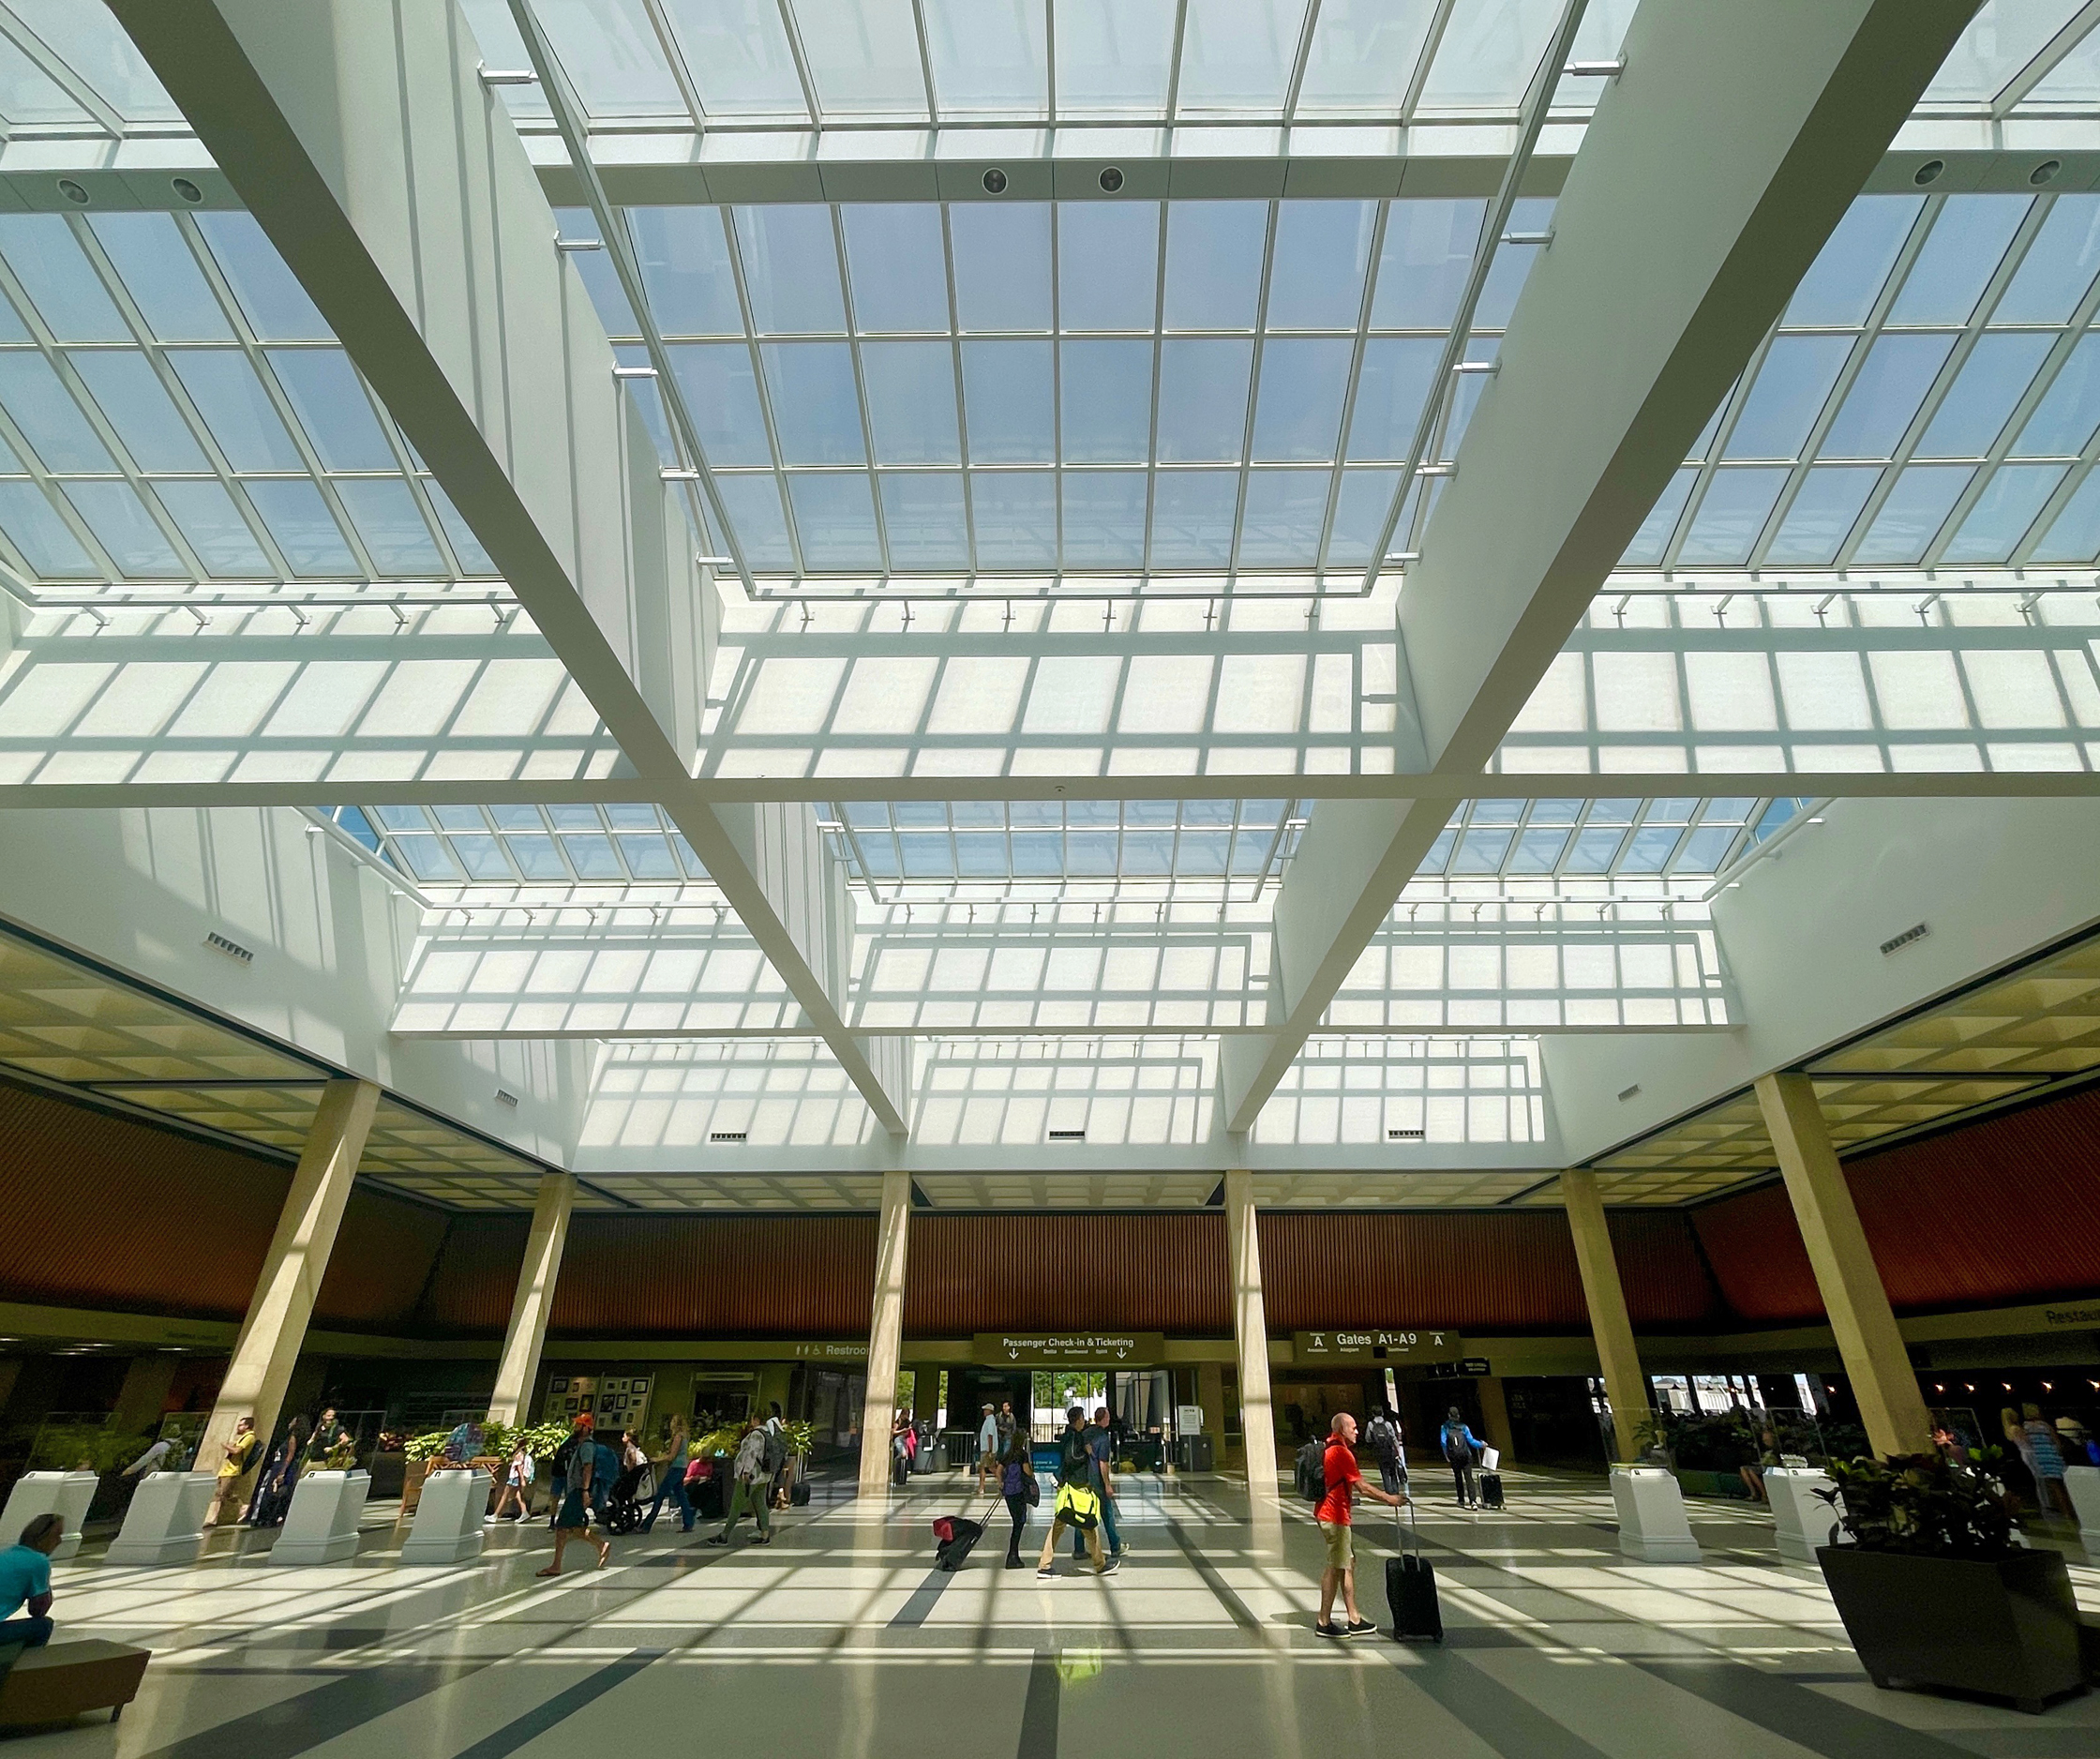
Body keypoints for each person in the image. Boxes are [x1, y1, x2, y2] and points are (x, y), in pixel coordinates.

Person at [1315, 1412, 1407, 1638]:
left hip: (1331, 1514)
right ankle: (1323, 1622)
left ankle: (1354, 1617)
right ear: (1341, 1430)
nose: (1357, 1431)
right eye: (1353, 1427)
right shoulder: (1341, 1453)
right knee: (1336, 1565)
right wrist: (1390, 1498)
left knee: (1347, 1563)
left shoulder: (1329, 1447)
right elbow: (1362, 1487)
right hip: (1334, 1516)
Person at [1038, 1407, 1115, 1579]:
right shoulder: (1074, 1436)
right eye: (1082, 1418)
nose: (1084, 1420)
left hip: (1071, 1485)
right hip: (1075, 1486)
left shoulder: (1071, 1435)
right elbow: (1071, 1457)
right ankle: (1099, 1564)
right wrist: (1086, 1454)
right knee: (1086, 1523)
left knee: (1073, 1525)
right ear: (1078, 1419)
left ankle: (1046, 1564)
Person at [537, 1421, 609, 1576]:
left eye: (578, 1425)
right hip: (577, 1490)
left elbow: (587, 1468)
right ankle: (600, 1545)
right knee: (573, 1528)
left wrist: (584, 1491)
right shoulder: (582, 1444)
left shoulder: (587, 1446)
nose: (574, 1427)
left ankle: (557, 1565)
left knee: (562, 1527)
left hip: (579, 1491)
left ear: (585, 1428)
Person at [708, 1417, 773, 1547]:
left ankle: (724, 1536)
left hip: (751, 1475)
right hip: (763, 1475)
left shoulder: (756, 1434)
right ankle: (765, 1535)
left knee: (736, 1504)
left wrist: (746, 1471)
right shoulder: (768, 1434)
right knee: (760, 1503)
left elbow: (751, 1453)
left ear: (756, 1420)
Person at [0, 1514, 63, 1650]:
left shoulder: (7, 1553)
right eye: (56, 1535)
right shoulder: (38, 1561)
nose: (59, 1541)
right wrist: (44, 1582)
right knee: (43, 1626)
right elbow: (38, 1611)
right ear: (42, 1538)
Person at [1072, 1406, 1122, 1561]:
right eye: (1108, 1416)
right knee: (1107, 1513)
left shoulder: (1086, 1433)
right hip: (1097, 1481)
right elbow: (1103, 1463)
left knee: (1082, 1513)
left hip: (1083, 1479)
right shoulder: (1103, 1437)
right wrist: (1107, 1484)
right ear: (1104, 1419)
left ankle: (1079, 1548)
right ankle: (1115, 1546)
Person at [247, 1415, 308, 1527]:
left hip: (281, 1467)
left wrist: (282, 1472)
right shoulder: (293, 1437)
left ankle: (265, 1518)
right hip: (284, 1466)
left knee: (271, 1492)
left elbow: (290, 1455)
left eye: (293, 1421)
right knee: (276, 1493)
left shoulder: (293, 1437)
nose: (290, 1423)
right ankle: (272, 1517)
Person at [641, 1416, 693, 1533]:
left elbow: (672, 1456)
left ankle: (647, 1525)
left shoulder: (678, 1437)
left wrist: (657, 1459)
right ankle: (688, 1522)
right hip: (682, 1466)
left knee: (660, 1495)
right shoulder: (685, 1437)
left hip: (675, 1468)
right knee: (681, 1495)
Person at [2024, 1405, 2074, 1520]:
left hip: (2042, 1459)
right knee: (2064, 1486)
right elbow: (2056, 1441)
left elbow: (2027, 1444)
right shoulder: (2045, 1426)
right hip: (2053, 1456)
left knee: (2054, 1487)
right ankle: (2071, 1510)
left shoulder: (2025, 1428)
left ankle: (2065, 1512)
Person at [207, 1416, 258, 1527]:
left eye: (240, 1425)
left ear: (246, 1426)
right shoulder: (242, 1437)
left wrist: (226, 1446)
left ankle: (213, 1518)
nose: (238, 1427)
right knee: (225, 1494)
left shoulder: (249, 1437)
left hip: (232, 1470)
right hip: (226, 1469)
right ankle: (242, 1506)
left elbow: (237, 1450)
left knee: (221, 1495)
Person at [999, 1429, 1036, 1569]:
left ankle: (1013, 1555)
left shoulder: (1008, 1454)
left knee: (1016, 1522)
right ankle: (1012, 1555)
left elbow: (998, 1469)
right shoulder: (1022, 1454)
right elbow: (1027, 1471)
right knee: (1019, 1522)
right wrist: (1032, 1474)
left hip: (1009, 1492)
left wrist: (1001, 1482)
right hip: (1019, 1492)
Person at [1440, 1406, 1487, 1510]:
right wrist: (1481, 1444)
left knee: (1458, 1477)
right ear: (1458, 1416)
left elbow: (1443, 1442)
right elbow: (1471, 1441)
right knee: (1469, 1477)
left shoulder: (1445, 1427)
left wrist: (1446, 1455)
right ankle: (1473, 1501)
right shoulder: (1464, 1427)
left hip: (1454, 1456)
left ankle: (1461, 1500)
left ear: (1449, 1415)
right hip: (1466, 1456)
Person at [2003, 1406, 2046, 1512]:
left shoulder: (2010, 1429)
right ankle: (2045, 1501)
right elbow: (2028, 1441)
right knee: (2039, 1477)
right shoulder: (2016, 1428)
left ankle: (2044, 1500)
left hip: (2025, 1452)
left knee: (2038, 1477)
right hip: (2029, 1452)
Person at [1364, 1407, 1407, 1499]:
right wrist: (1398, 1450)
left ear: (1373, 1414)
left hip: (1379, 1451)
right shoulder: (1388, 1424)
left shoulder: (1370, 1424)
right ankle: (1395, 1491)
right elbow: (1394, 1438)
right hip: (1390, 1450)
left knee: (1384, 1472)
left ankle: (1388, 1493)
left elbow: (1368, 1438)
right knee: (1393, 1472)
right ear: (1383, 1413)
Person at [490, 1437, 535, 1523]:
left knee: (505, 1495)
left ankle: (495, 1515)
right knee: (518, 1495)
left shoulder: (518, 1454)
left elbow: (519, 1468)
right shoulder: (523, 1454)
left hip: (514, 1478)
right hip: (517, 1478)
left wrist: (522, 1480)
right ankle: (524, 1512)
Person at [1740, 1427, 1778, 1502]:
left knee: (1751, 1471)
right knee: (1743, 1469)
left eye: (1767, 1440)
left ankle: (1765, 1494)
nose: (1765, 1441)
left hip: (1772, 1467)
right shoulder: (1763, 1447)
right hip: (1762, 1465)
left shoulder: (1776, 1448)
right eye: (1764, 1440)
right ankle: (1753, 1493)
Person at [976, 1403, 1001, 1493]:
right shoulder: (989, 1420)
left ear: (989, 1411)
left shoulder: (990, 1421)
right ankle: (983, 1487)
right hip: (986, 1448)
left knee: (986, 1467)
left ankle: (1000, 1483)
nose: (984, 1412)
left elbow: (990, 1435)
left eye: (985, 1410)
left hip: (987, 1449)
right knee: (989, 1467)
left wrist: (990, 1450)